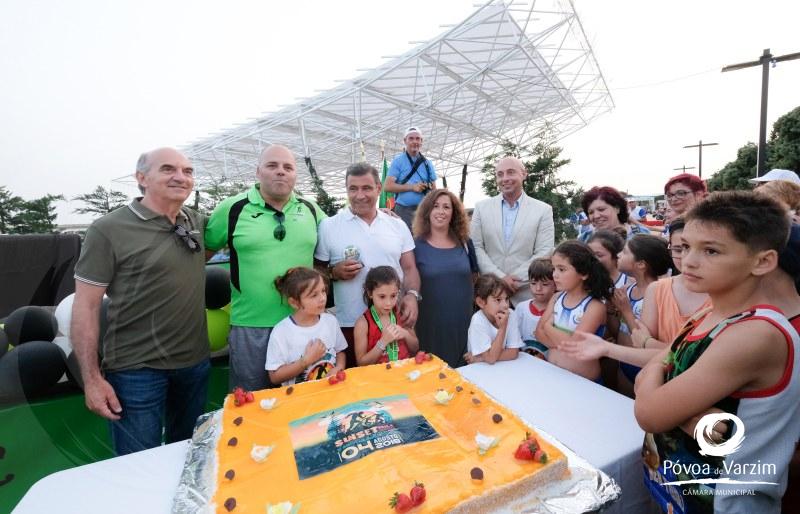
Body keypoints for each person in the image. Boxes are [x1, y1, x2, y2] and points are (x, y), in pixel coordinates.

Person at [633, 191, 798, 513]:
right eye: (685, 247)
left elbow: (648, 413)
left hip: (726, 502)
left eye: (710, 250)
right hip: (677, 486)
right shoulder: (709, 313)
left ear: (762, 261)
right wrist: (686, 416)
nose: (689, 260)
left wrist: (662, 390)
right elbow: (644, 379)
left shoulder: (755, 334)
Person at [71, 147, 210, 456]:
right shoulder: (108, 230)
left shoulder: (195, 221)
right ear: (141, 178)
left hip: (194, 365)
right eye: (168, 169)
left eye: (188, 171)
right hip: (136, 372)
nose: (181, 177)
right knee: (139, 466)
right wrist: (92, 380)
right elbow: (86, 306)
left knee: (189, 457)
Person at [205, 144, 324, 391]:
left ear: (294, 175)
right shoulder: (231, 209)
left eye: (287, 167)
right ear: (258, 172)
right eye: (272, 165)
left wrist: (383, 216)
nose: (280, 171)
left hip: (304, 323)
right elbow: (200, 254)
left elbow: (339, 238)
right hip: (251, 327)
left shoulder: (311, 209)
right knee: (252, 402)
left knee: (306, 398)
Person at [315, 162, 421, 367]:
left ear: (379, 189)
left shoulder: (397, 225)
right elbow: (316, 271)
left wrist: (412, 296)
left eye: (366, 188)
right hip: (349, 324)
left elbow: (410, 268)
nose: (359, 195)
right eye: (353, 188)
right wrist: (333, 272)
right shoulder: (329, 226)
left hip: (394, 319)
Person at [470, 156, 555, 305]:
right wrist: (500, 278)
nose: (505, 178)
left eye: (511, 172)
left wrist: (514, 280)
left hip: (527, 295)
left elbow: (544, 251)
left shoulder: (543, 210)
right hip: (490, 295)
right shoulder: (481, 208)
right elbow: (476, 246)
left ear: (524, 174)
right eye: (500, 174)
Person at [412, 189, 477, 367]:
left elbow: (474, 276)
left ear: (453, 213)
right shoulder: (415, 246)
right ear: (427, 211)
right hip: (430, 324)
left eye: (446, 207)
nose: (441, 211)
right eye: (436, 206)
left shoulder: (465, 243)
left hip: (462, 322)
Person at [534, 241, 612, 381]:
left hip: (584, 383)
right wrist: (563, 342)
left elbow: (575, 346)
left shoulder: (594, 306)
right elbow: (538, 333)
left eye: (562, 269)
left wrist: (548, 327)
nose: (555, 275)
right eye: (554, 269)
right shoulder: (557, 297)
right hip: (553, 375)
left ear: (584, 274)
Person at [609, 235, 673, 393]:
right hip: (623, 361)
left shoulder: (658, 294)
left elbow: (644, 339)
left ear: (641, 264)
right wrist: (612, 311)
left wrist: (625, 310)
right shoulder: (628, 290)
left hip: (642, 366)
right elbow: (619, 329)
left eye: (624, 252)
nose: (618, 255)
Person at [265, 267, 346, 387]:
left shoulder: (330, 321)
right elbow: (274, 376)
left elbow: (340, 352)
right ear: (294, 303)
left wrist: (339, 367)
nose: (323, 298)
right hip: (300, 400)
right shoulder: (281, 332)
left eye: (323, 291)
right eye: (314, 295)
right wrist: (306, 361)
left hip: (332, 393)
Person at [354, 266, 419, 365]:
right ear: (370, 293)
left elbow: (415, 348)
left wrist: (405, 334)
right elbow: (361, 363)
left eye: (393, 296)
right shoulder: (363, 323)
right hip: (378, 377)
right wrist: (383, 342)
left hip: (405, 373)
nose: (388, 303)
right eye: (382, 297)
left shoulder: (401, 313)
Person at [384, 127, 437, 228]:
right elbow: (387, 186)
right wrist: (412, 187)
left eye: (418, 139)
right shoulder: (398, 161)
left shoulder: (427, 163)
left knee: (423, 241)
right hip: (403, 210)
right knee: (405, 240)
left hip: (424, 211)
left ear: (421, 141)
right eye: (411, 138)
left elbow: (434, 189)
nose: (415, 141)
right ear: (405, 141)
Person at [464, 274, 522, 364]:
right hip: (480, 370)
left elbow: (513, 353)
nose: (505, 305)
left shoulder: (511, 314)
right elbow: (491, 359)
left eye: (506, 299)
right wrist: (503, 328)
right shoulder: (478, 321)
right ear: (481, 302)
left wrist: (481, 358)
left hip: (503, 367)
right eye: (498, 300)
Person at [514, 258, 557, 359]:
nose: (538, 288)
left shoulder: (558, 310)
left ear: (556, 285)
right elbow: (514, 336)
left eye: (545, 284)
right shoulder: (521, 308)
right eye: (533, 283)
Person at [579, 186, 648, 242]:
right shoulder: (584, 239)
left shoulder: (641, 234)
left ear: (617, 208)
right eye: (591, 212)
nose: (596, 216)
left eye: (601, 209)